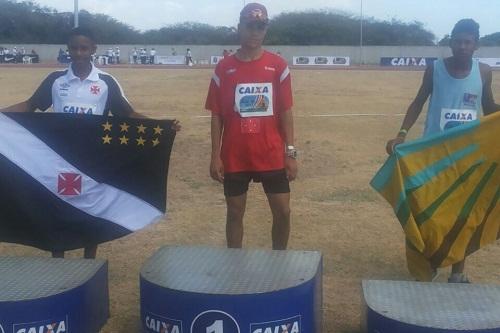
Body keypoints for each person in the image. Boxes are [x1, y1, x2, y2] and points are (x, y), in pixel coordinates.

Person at [0, 27, 180, 258]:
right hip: (58, 156)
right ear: (68, 49)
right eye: (74, 48)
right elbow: (30, 105)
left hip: (93, 157)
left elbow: (127, 113)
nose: (79, 53)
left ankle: (89, 261)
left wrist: (161, 127)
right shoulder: (56, 80)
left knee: (91, 204)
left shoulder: (105, 81)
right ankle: (58, 256)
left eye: (84, 48)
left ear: (93, 49)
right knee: (58, 202)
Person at [386, 19, 500, 283]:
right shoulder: (434, 69)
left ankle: (458, 273)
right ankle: (429, 264)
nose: (462, 46)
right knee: (430, 213)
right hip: (434, 156)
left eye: (467, 42)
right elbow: (417, 102)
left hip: (469, 157)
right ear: (451, 42)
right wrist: (401, 133)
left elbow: (488, 105)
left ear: (476, 45)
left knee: (463, 215)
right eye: (458, 41)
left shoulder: (483, 73)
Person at [205, 3, 297, 250]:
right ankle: (235, 263)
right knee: (234, 213)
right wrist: (215, 156)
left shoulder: (278, 66)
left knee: (283, 211)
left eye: (260, 26)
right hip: (235, 154)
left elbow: (286, 112)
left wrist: (290, 153)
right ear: (239, 28)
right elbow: (216, 115)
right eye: (249, 26)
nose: (255, 31)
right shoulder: (224, 68)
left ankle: (280, 259)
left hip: (271, 153)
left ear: (265, 30)